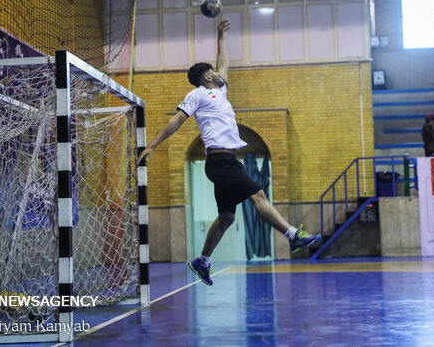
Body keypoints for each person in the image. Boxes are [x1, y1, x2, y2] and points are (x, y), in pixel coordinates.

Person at [136, 19, 321, 286]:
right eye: (213, 71)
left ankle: (202, 261)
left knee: (227, 216)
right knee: (258, 194)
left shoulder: (220, 90)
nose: (220, 72)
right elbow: (176, 120)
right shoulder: (197, 94)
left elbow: (223, 63)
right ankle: (293, 236)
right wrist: (152, 145)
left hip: (227, 161)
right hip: (219, 161)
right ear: (207, 77)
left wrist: (220, 37)